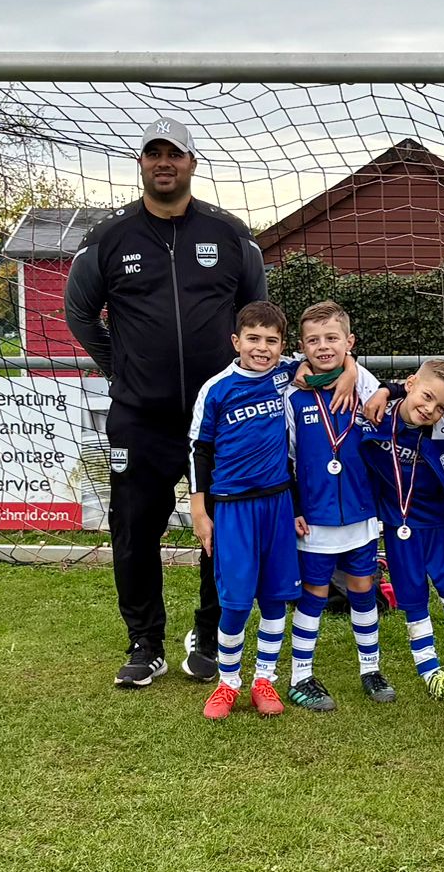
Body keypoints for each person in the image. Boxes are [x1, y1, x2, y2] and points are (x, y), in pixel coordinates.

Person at [67, 118, 351, 689]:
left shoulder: (229, 236)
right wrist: (122, 368)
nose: (164, 163)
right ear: (141, 163)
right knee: (134, 529)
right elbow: (79, 315)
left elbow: (260, 321)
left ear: (193, 163)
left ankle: (208, 631)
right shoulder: (109, 238)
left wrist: (342, 364)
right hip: (140, 417)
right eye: (154, 154)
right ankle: (144, 643)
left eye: (175, 154)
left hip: (225, 420)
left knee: (224, 527)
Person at [186, 301, 302, 719]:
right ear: (236, 341)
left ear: (282, 346)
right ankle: (228, 682)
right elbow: (199, 451)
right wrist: (200, 512)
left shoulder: (287, 375)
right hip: (232, 509)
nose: (262, 348)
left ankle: (264, 679)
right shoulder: (217, 388)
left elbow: (339, 362)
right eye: (253, 338)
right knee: (235, 602)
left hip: (277, 503)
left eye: (272, 341)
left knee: (275, 599)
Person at [282, 301, 389, 710]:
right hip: (316, 516)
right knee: (314, 594)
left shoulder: (362, 382)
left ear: (349, 342)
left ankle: (370, 669)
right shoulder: (293, 395)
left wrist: (360, 376)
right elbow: (286, 458)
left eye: (332, 338)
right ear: (302, 347)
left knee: (363, 588)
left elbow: (393, 394)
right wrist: (294, 506)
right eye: (313, 340)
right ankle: (301, 676)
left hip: (361, 513)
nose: (323, 347)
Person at [360, 360, 444, 701]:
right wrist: (388, 389)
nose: (431, 409)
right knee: (412, 598)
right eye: (427, 397)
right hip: (400, 526)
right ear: (410, 384)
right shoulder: (375, 419)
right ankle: (429, 669)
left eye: (442, 406)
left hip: (442, 526)